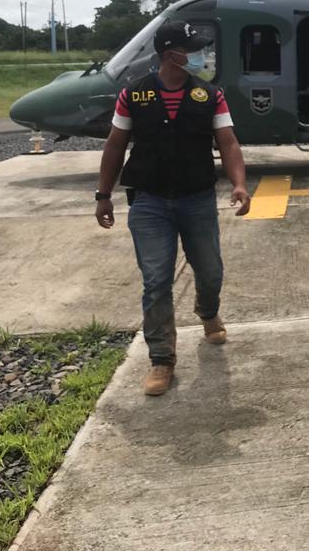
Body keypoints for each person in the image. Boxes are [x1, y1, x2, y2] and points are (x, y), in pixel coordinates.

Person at [95, 20, 250, 396]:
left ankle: (207, 310)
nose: (201, 55)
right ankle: (162, 359)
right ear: (170, 55)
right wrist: (103, 194)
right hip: (149, 202)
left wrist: (240, 184)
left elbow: (228, 143)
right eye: (194, 49)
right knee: (156, 280)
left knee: (210, 271)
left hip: (196, 199)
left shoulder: (210, 95)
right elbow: (116, 145)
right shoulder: (133, 95)